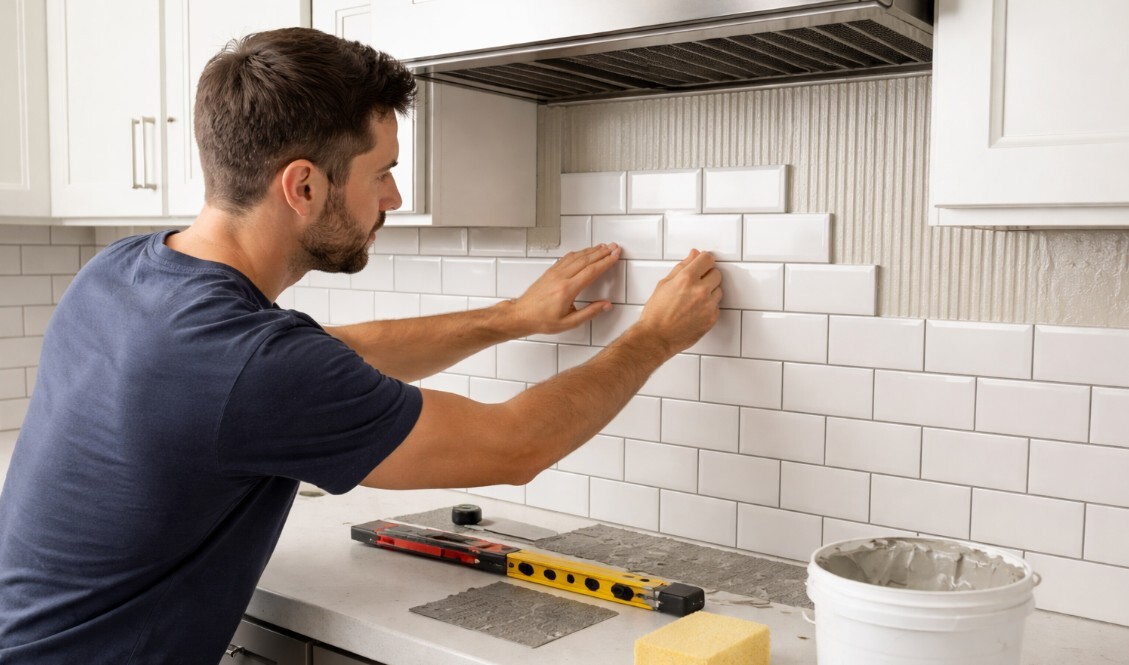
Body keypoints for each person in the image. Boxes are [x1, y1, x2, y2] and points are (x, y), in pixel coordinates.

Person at [0, 27, 721, 663]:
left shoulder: (124, 271)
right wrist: (654, 336)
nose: (394, 199)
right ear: (304, 186)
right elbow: (514, 445)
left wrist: (511, 317)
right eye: (381, 173)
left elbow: (338, 354)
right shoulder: (252, 364)